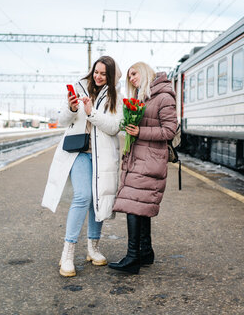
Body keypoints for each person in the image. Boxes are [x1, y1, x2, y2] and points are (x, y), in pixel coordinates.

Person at [42, 56, 123, 277]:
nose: (98, 76)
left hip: (102, 156)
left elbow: (114, 127)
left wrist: (91, 113)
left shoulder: (116, 96)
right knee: (83, 196)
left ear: (111, 76)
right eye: (96, 71)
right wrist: (71, 107)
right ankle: (67, 253)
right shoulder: (78, 87)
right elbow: (62, 122)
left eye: (103, 74)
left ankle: (93, 248)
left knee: (98, 199)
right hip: (78, 153)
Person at [109, 62, 178, 274]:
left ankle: (133, 257)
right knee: (140, 205)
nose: (131, 78)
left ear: (146, 72)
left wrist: (140, 131)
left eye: (134, 73)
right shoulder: (143, 97)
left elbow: (169, 131)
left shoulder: (164, 97)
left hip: (150, 160)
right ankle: (146, 252)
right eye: (129, 76)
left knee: (133, 205)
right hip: (139, 158)